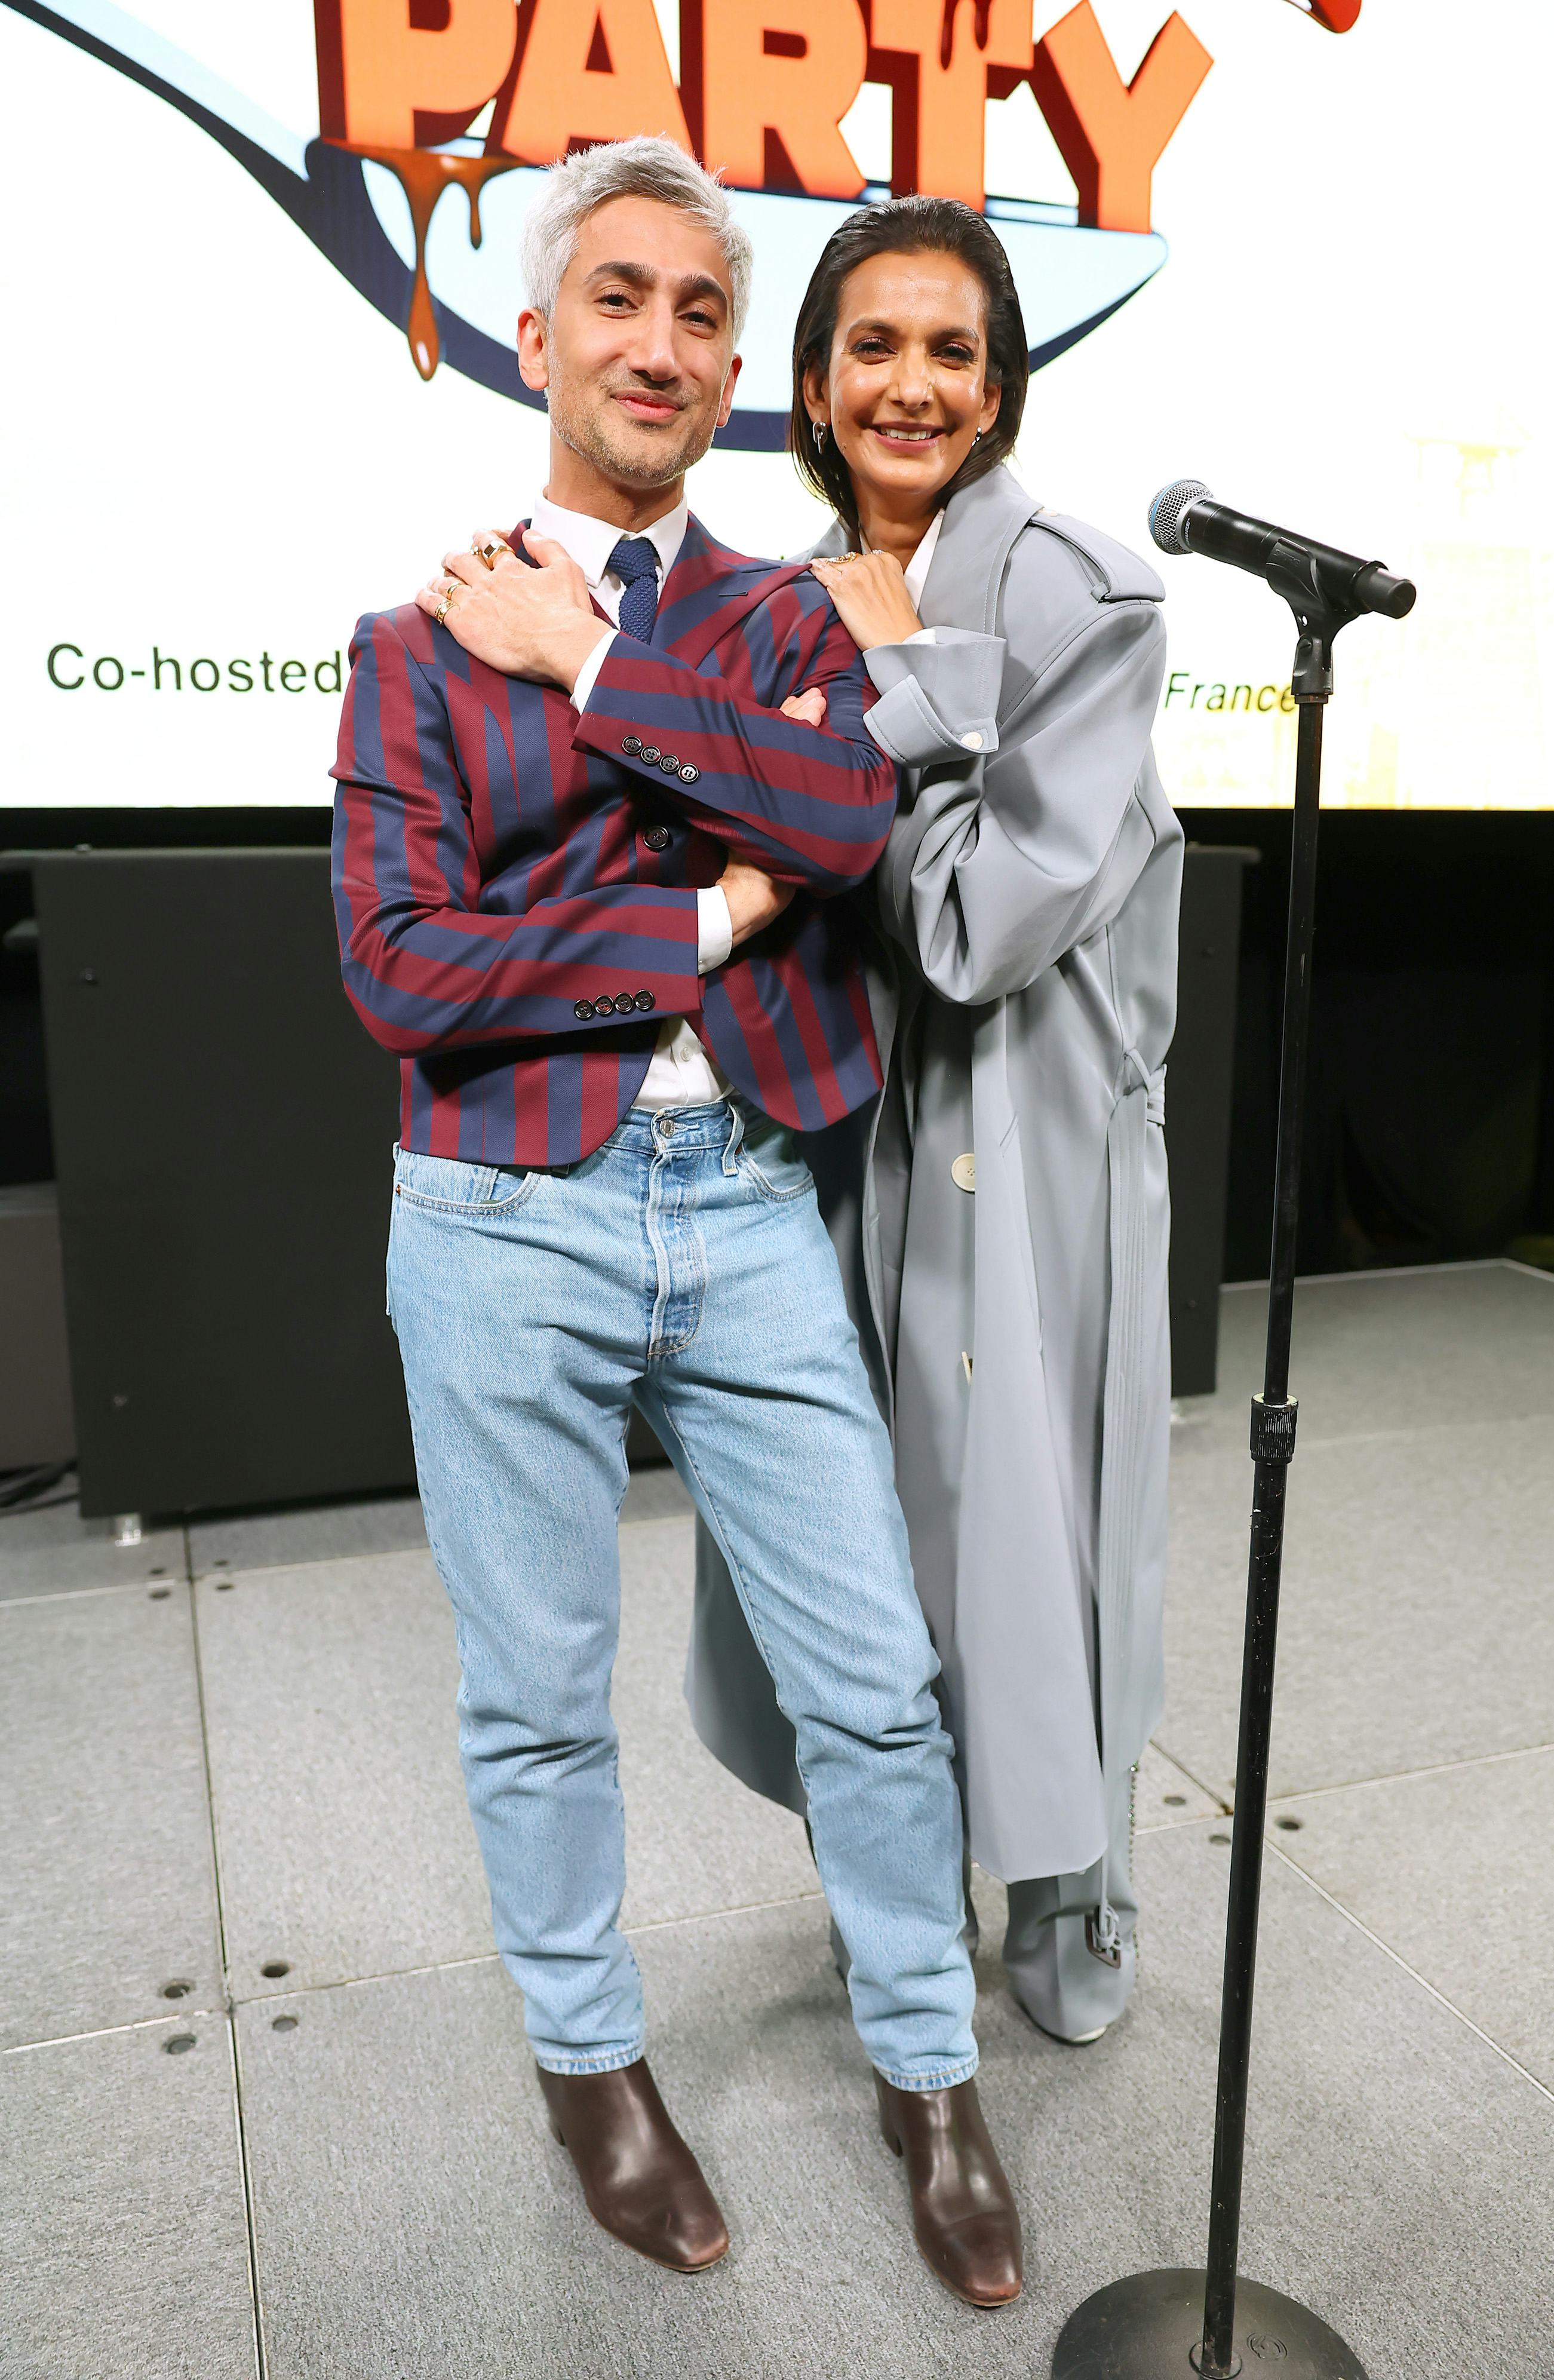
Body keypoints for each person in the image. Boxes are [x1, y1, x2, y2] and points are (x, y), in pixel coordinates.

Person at [330, 140, 1022, 2307]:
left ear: (736, 367)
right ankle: (591, 2068)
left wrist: (599, 670)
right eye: (616, 300)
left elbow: (843, 806)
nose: (660, 342)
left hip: (741, 1208)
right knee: (537, 1694)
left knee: (882, 1690)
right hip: (499, 1212)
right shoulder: (410, 643)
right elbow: (408, 976)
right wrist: (710, 907)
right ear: (538, 342)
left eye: (701, 313)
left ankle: (932, 2073)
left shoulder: (785, 614)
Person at [689, 195, 1183, 2047]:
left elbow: (979, 926)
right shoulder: (778, 587)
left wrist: (902, 686)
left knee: (1040, 1530)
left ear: (1001, 384)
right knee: (846, 1534)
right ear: (810, 383)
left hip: (1025, 1146)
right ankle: (897, 1891)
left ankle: (1074, 1905)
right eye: (872, 348)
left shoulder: (1077, 586)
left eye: (952, 350)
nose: (911, 384)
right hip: (835, 1135)